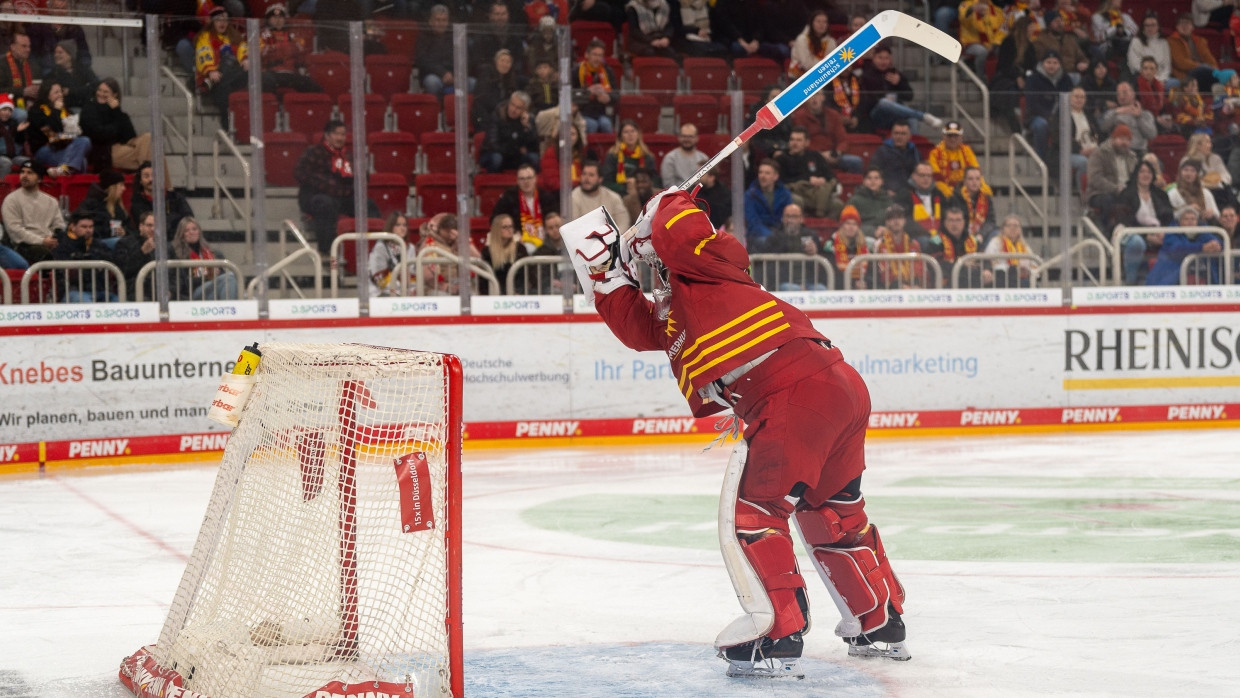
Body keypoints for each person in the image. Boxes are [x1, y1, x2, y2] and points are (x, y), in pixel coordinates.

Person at [576, 186, 909, 676]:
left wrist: (662, 207)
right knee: (831, 513)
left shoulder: (712, 262)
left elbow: (683, 231)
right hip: (830, 386)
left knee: (755, 514)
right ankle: (879, 621)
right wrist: (605, 275)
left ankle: (776, 631)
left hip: (791, 391)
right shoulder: (679, 306)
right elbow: (640, 330)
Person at [295, 119, 378, 256]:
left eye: (343, 134)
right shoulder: (314, 152)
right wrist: (329, 185)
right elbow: (300, 173)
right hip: (315, 196)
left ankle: (375, 248)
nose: (340, 138)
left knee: (368, 205)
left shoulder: (348, 156)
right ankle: (327, 251)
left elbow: (363, 177)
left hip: (343, 196)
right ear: (327, 136)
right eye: (336, 134)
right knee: (325, 204)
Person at [857, 45, 943, 134]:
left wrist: (899, 83)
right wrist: (884, 97)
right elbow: (865, 100)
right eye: (880, 58)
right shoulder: (866, 74)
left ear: (890, 59)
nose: (883, 61)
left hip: (894, 115)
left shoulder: (896, 74)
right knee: (884, 103)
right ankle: (923, 116)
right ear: (873, 58)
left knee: (911, 118)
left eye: (886, 58)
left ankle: (913, 144)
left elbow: (910, 96)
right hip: (875, 115)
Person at [748, 203, 828, 291]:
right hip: (784, 282)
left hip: (810, 281)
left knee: (821, 289)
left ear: (801, 219)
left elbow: (823, 259)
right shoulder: (774, 237)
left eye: (794, 217)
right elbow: (769, 264)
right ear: (783, 218)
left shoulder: (811, 235)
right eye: (787, 216)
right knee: (792, 288)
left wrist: (816, 251)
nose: (790, 220)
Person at [80, 77, 153, 174]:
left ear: (114, 95)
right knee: (155, 157)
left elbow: (130, 136)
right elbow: (100, 135)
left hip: (123, 148)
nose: (101, 94)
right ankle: (162, 187)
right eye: (99, 90)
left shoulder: (117, 112)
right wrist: (115, 127)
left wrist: (116, 111)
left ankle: (147, 177)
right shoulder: (89, 110)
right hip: (105, 151)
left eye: (105, 92)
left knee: (148, 137)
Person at [195, 6, 250, 130]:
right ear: (212, 22)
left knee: (236, 68)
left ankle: (230, 126)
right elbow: (204, 53)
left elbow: (243, 48)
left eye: (225, 19)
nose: (222, 23)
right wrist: (211, 70)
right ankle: (228, 126)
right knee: (224, 79)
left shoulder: (234, 36)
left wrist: (245, 58)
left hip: (230, 77)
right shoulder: (205, 37)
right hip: (215, 78)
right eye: (219, 19)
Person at [2, 161, 62, 265]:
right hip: (25, 245)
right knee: (45, 254)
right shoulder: (11, 200)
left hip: (48, 241)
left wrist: (53, 239)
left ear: (39, 178)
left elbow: (59, 225)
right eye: (22, 172)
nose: (24, 176)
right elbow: (15, 231)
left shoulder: (51, 201)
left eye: (30, 173)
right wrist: (41, 241)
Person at [27, 81, 90, 177]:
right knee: (81, 161)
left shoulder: (66, 111)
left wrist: (74, 132)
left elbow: (75, 134)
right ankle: (65, 173)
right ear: (47, 95)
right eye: (56, 92)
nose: (60, 95)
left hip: (64, 147)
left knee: (85, 141)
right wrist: (56, 111)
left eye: (61, 92)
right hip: (45, 149)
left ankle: (64, 171)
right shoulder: (36, 110)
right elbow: (51, 135)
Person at [1147, 204, 1224, 284]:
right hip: (1169, 278)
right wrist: (1202, 248)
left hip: (1201, 276)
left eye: (1193, 219)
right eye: (1186, 219)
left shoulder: (1202, 231)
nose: (1190, 221)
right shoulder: (1171, 232)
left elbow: (1215, 240)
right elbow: (1177, 249)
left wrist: (1218, 245)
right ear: (1179, 221)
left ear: (1197, 222)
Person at [776, 126, 842, 218]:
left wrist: (822, 179)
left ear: (807, 143)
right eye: (792, 140)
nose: (794, 143)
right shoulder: (781, 159)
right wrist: (807, 179)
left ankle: (824, 228)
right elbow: (781, 181)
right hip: (796, 193)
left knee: (837, 204)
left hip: (817, 194)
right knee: (797, 201)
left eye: (799, 140)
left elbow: (830, 175)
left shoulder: (815, 156)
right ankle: (801, 228)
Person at [53, 212, 119, 303]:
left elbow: (111, 261)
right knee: (85, 302)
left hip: (100, 290)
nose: (88, 230)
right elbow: (67, 275)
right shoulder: (63, 246)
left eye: (91, 227)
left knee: (121, 302)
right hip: (74, 292)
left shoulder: (98, 244)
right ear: (72, 227)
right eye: (84, 227)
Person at [493, 162, 559, 252]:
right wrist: (513, 233)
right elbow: (495, 220)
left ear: (535, 179)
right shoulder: (509, 197)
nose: (526, 182)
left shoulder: (546, 197)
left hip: (545, 239)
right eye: (522, 179)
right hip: (518, 241)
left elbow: (555, 218)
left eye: (529, 178)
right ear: (517, 181)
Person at [791, 91, 862, 174]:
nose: (814, 98)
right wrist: (820, 155)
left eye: (817, 94)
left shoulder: (833, 115)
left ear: (823, 97)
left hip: (832, 155)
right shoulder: (799, 116)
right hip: (811, 156)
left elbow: (843, 140)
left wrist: (837, 153)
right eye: (810, 95)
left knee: (856, 162)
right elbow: (800, 141)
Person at [259, 3, 323, 94]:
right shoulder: (262, 36)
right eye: (274, 17)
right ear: (268, 20)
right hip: (271, 73)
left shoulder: (293, 37)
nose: (278, 20)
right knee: (266, 82)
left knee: (312, 86)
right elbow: (255, 55)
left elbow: (302, 57)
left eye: (281, 17)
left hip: (290, 73)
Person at [171, 216, 238, 301]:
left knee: (229, 280)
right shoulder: (177, 254)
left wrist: (215, 273)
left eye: (194, 229)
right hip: (194, 293)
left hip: (212, 289)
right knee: (230, 278)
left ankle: (227, 308)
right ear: (181, 234)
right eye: (186, 231)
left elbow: (221, 276)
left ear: (199, 232)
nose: (191, 232)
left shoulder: (212, 253)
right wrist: (207, 275)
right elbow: (184, 283)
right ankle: (230, 310)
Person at [992, 16, 1040, 133]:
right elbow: (1004, 65)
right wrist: (1017, 76)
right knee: (1011, 91)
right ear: (1024, 28)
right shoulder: (1008, 42)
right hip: (1006, 78)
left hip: (1025, 77)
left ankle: (1029, 121)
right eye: (1031, 27)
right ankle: (1016, 126)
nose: (1033, 30)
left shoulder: (1030, 46)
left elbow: (1032, 66)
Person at [1085, 123, 1138, 228]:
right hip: (1100, 193)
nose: (1124, 143)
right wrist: (1116, 189)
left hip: (1126, 193)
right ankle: (1108, 232)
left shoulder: (1132, 158)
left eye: (1128, 140)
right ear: (1113, 138)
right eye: (1121, 139)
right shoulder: (1099, 153)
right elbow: (1095, 178)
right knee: (1108, 200)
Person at [923, 204, 989, 287]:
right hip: (947, 283)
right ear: (945, 222)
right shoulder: (936, 242)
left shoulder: (973, 241)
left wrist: (987, 269)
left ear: (964, 222)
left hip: (973, 278)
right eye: (951, 220)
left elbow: (984, 260)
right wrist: (961, 264)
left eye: (958, 220)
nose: (954, 224)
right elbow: (936, 265)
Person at [1025, 51, 1074, 161]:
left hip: (1060, 116)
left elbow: (1071, 99)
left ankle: (1061, 159)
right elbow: (1032, 103)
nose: (1052, 65)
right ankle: (1041, 160)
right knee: (1041, 125)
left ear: (1060, 64)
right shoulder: (1033, 79)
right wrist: (1048, 116)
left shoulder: (1066, 79)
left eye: (1055, 63)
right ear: (1042, 63)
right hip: (1037, 116)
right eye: (1049, 62)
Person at [130, 161, 193, 242]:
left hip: (177, 240)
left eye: (154, 175)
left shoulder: (175, 197)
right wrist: (173, 218)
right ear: (140, 181)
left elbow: (188, 218)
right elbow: (147, 224)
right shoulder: (137, 202)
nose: (151, 179)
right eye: (146, 176)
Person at [480, 91, 541, 173]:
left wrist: (527, 127)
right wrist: (516, 150)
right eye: (512, 105)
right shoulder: (498, 115)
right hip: (496, 154)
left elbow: (535, 147)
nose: (513, 110)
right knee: (496, 158)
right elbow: (493, 144)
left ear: (525, 110)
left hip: (516, 157)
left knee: (534, 158)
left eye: (518, 108)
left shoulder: (529, 119)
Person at [928, 121, 988, 198]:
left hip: (967, 191)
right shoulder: (935, 153)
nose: (953, 139)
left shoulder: (967, 150)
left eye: (956, 136)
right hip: (944, 194)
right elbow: (937, 178)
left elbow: (976, 171)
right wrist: (951, 194)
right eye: (949, 135)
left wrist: (984, 189)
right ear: (944, 136)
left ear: (961, 137)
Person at [744, 159, 793, 249]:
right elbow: (753, 222)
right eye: (760, 172)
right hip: (758, 237)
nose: (762, 176)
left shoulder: (785, 195)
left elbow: (788, 218)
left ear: (776, 176)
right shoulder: (750, 195)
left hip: (780, 235)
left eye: (767, 173)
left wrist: (778, 236)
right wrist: (771, 237)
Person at [74, 170, 134, 242]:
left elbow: (131, 228)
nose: (124, 188)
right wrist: (109, 231)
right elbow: (87, 228)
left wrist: (125, 232)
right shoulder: (91, 205)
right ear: (112, 187)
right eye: (121, 185)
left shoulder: (119, 207)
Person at [874, 204, 925, 289]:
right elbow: (882, 271)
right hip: (890, 288)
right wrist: (900, 286)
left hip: (912, 286)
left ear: (904, 221)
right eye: (892, 218)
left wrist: (915, 284)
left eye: (899, 217)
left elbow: (919, 268)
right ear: (887, 222)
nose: (896, 221)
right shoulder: (880, 244)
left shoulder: (914, 244)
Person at [571, 160, 631, 231]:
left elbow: (624, 222)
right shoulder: (573, 197)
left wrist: (616, 239)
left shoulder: (613, 197)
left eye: (591, 175)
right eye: (584, 174)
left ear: (600, 179)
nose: (586, 178)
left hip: (611, 239)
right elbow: (573, 227)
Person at [602, 120, 659, 195]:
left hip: (643, 194)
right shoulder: (613, 155)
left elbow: (655, 181)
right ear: (620, 136)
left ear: (638, 134)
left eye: (633, 131)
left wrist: (638, 185)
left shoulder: (647, 156)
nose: (630, 135)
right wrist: (626, 187)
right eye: (626, 132)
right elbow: (606, 183)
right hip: (619, 194)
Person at [573, 39, 618, 134]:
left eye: (600, 55)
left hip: (602, 112)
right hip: (582, 112)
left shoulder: (607, 71)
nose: (597, 58)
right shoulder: (576, 71)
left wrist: (608, 97)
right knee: (592, 125)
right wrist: (588, 92)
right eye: (594, 54)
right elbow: (571, 96)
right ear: (587, 55)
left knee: (606, 124)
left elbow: (617, 94)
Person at [473, 49, 523, 132]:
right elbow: (484, 98)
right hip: (484, 116)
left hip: (502, 115)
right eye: (502, 61)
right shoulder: (486, 74)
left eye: (508, 62)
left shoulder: (511, 79)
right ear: (496, 62)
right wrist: (502, 108)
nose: (505, 64)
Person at [1100, 81, 1157, 154]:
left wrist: (1139, 117)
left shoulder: (1145, 114)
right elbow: (1103, 128)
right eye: (1118, 94)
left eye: (1124, 92)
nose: (1121, 96)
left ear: (1133, 94)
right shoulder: (1112, 113)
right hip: (1117, 152)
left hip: (1138, 151)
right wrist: (1115, 113)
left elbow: (1151, 135)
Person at [368, 211, 415, 297]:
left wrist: (412, 289)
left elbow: (413, 274)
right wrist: (400, 287)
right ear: (391, 227)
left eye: (404, 225)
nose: (402, 228)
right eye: (398, 225)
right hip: (381, 292)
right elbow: (379, 278)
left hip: (405, 291)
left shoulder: (410, 248)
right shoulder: (381, 247)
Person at [480, 212, 528, 294]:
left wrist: (519, 292)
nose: (509, 229)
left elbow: (524, 275)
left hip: (517, 294)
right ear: (496, 229)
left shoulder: (520, 249)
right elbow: (483, 281)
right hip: (494, 295)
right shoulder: (487, 252)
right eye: (505, 227)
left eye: (511, 226)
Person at [114, 209, 157, 300]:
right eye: (149, 225)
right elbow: (123, 271)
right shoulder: (125, 244)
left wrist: (171, 291)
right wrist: (142, 253)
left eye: (156, 226)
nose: (153, 229)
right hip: (135, 290)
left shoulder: (165, 246)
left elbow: (174, 274)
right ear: (141, 226)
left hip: (161, 290)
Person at [1181, 132, 1232, 207]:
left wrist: (1217, 183)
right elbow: (1186, 181)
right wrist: (1208, 184)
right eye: (1207, 142)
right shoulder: (1187, 160)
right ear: (1198, 145)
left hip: (1219, 192)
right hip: (1197, 195)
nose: (1211, 145)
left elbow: (1227, 177)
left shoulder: (1215, 158)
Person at [824, 205, 870, 289]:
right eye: (848, 223)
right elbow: (831, 272)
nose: (851, 227)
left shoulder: (866, 245)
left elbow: (871, 271)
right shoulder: (831, 244)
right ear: (842, 225)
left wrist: (866, 282)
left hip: (863, 287)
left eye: (854, 224)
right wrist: (853, 284)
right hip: (839, 288)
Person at [959, 0, 1007, 78]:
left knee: (1005, 49)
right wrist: (971, 10)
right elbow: (963, 20)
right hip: (971, 43)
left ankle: (999, 79)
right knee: (982, 51)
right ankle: (980, 78)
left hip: (992, 44)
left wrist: (994, 44)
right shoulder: (966, 5)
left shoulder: (998, 11)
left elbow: (1002, 31)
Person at [1034, 10, 1089, 78]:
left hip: (1073, 73)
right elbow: (1040, 63)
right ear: (1048, 25)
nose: (1060, 23)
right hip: (1052, 76)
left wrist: (1084, 63)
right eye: (1056, 21)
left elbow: (1082, 57)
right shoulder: (1041, 41)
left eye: (1061, 20)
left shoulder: (1070, 39)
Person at [869, 121, 920, 196]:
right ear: (892, 135)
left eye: (903, 134)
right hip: (887, 194)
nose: (899, 137)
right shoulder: (881, 152)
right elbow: (873, 174)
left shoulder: (915, 153)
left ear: (910, 136)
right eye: (896, 133)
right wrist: (885, 191)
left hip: (910, 194)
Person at [418, 5, 458, 96]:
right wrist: (443, 73)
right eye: (438, 20)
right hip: (433, 74)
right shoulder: (423, 37)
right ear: (430, 21)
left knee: (472, 83)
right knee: (432, 82)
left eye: (444, 20)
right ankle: (437, 109)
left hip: (454, 76)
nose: (441, 23)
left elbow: (463, 58)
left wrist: (453, 75)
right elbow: (422, 60)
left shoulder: (454, 37)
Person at [1127, 13, 1177, 88]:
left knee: (1176, 83)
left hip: (1162, 79)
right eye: (1147, 25)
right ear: (1143, 27)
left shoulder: (1164, 43)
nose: (1150, 28)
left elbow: (1167, 67)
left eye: (1153, 25)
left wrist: (1161, 80)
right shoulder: (1136, 41)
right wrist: (1153, 79)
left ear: (1158, 27)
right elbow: (1135, 65)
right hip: (1143, 78)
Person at [44, 40, 96, 111]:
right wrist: (84, 89)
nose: (56, 55)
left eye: (60, 52)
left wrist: (71, 91)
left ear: (70, 55)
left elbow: (95, 86)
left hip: (84, 106)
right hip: (65, 109)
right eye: (55, 52)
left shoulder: (82, 69)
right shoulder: (52, 75)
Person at [984, 214, 1035, 287]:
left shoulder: (1025, 246)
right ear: (1003, 228)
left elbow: (1034, 264)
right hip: (1002, 279)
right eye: (1009, 225)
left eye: (1016, 226)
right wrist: (1012, 269)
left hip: (1022, 280)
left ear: (1020, 229)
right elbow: (988, 262)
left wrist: (1027, 271)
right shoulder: (996, 242)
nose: (1012, 228)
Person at [902, 162, 948, 241]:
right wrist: (928, 234)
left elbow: (946, 217)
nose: (926, 178)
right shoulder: (904, 195)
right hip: (916, 236)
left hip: (939, 235)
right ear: (914, 176)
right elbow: (905, 221)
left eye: (929, 176)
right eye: (922, 175)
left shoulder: (939, 194)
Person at [1168, 13, 1217, 85]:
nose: (1184, 26)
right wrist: (1200, 66)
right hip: (1185, 74)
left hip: (1203, 71)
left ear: (1192, 27)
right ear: (1177, 27)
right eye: (1181, 23)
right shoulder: (1172, 41)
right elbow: (1180, 63)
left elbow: (1208, 58)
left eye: (1187, 23)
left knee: (1228, 73)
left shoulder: (1199, 41)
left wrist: (1214, 68)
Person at [954, 167, 998, 243]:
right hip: (961, 235)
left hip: (980, 236)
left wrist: (981, 234)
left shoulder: (986, 198)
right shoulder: (956, 197)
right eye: (971, 179)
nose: (974, 182)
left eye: (977, 179)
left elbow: (990, 222)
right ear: (964, 181)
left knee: (996, 234)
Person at [845, 167, 894, 235]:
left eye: (876, 178)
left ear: (882, 181)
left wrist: (886, 230)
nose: (873, 181)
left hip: (886, 236)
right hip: (863, 238)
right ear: (864, 181)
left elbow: (895, 222)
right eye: (869, 178)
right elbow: (847, 226)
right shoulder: (854, 201)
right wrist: (873, 232)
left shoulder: (888, 201)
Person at [0, 32, 37, 120]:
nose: (28, 49)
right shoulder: (2, 64)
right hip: (4, 105)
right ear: (13, 47)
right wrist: (22, 91)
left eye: (29, 46)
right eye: (24, 46)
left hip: (25, 103)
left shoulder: (31, 64)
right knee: (21, 114)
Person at [789, 10, 836, 77]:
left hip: (822, 77)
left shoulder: (831, 42)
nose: (821, 24)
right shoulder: (802, 39)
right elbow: (806, 64)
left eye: (824, 22)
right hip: (799, 77)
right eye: (818, 21)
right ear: (812, 23)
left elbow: (832, 64)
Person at [661, 123, 709, 187]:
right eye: (684, 136)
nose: (687, 139)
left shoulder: (703, 158)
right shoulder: (670, 158)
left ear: (696, 138)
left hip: (700, 194)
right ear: (679, 137)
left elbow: (708, 182)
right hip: (677, 195)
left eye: (690, 137)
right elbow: (668, 184)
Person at [0, 98, 27, 176]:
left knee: (27, 162)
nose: (7, 113)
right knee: (6, 163)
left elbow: (20, 141)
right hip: (1, 156)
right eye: (4, 109)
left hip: (13, 156)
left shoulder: (14, 124)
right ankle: (2, 185)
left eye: (10, 110)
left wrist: (19, 132)